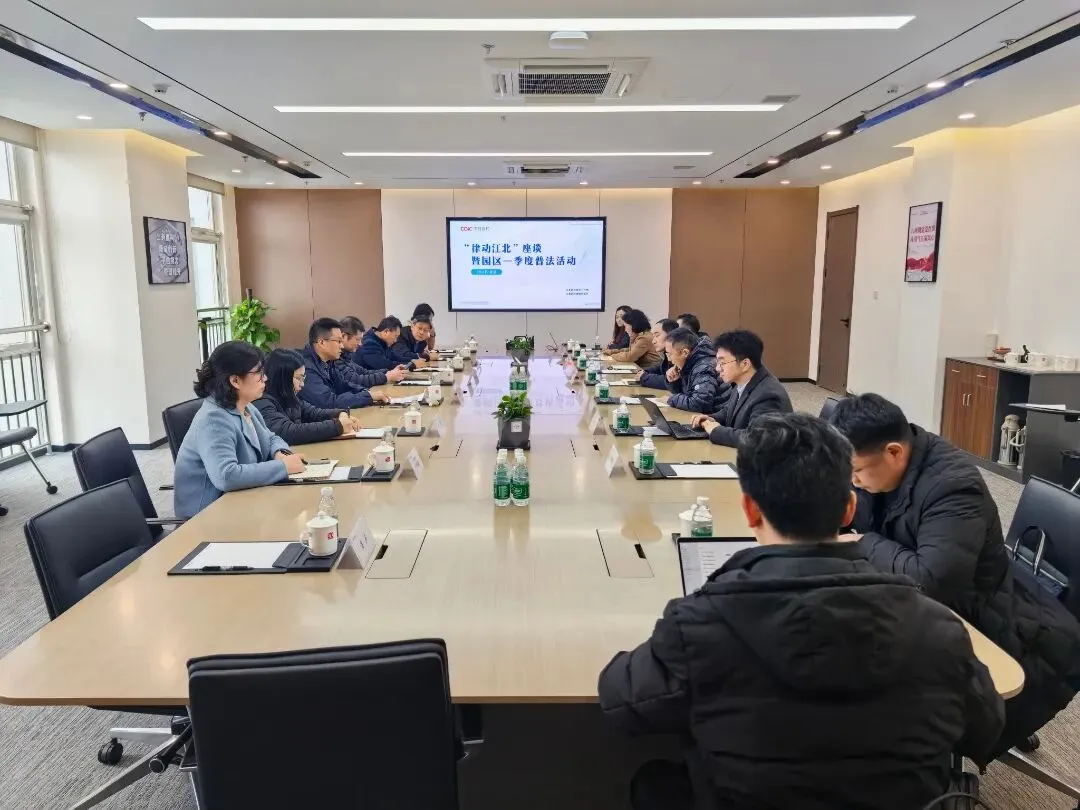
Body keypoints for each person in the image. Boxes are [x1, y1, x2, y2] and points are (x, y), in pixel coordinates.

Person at [598, 412, 1004, 810]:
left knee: (654, 780)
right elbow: (984, 727)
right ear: (849, 509)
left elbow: (621, 702)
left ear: (750, 510)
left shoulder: (699, 623)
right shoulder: (936, 626)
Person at [829, 393, 1080, 754]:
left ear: (894, 452)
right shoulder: (881, 467)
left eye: (856, 472)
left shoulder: (953, 486)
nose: (852, 481)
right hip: (917, 597)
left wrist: (864, 542)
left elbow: (932, 582)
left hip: (984, 622)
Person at [174, 341, 306, 518]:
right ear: (235, 380)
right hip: (207, 515)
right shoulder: (213, 419)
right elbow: (226, 476)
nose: (265, 378)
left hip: (242, 501)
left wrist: (280, 453)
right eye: (259, 373)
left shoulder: (246, 407)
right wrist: (282, 467)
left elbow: (271, 437)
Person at [691, 329, 792, 447]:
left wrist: (716, 431)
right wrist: (710, 419)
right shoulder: (743, 381)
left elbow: (758, 439)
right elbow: (729, 411)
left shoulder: (768, 395)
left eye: (722, 363)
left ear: (745, 364)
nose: (717, 368)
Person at [254, 349, 362, 445]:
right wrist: (337, 426)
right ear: (282, 378)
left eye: (303, 378)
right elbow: (288, 432)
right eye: (298, 378)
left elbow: (314, 413)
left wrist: (339, 414)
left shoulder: (288, 396)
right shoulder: (262, 402)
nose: (302, 384)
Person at [301, 318, 397, 410]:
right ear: (322, 342)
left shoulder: (328, 362)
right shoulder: (306, 369)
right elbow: (328, 402)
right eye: (339, 341)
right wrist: (368, 396)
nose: (341, 346)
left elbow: (344, 385)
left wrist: (366, 392)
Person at [663, 326, 729, 414]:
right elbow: (688, 394)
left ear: (685, 353)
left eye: (670, 354)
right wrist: (675, 382)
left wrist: (671, 399)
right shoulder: (691, 362)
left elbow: (700, 403)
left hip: (715, 417)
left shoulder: (703, 367)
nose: (669, 359)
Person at [637, 318, 678, 390]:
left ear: (671, 335)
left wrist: (644, 377)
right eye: (653, 336)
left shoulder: (680, 354)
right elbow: (660, 368)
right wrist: (645, 372)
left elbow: (672, 380)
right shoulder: (667, 353)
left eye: (657, 335)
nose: (653, 341)